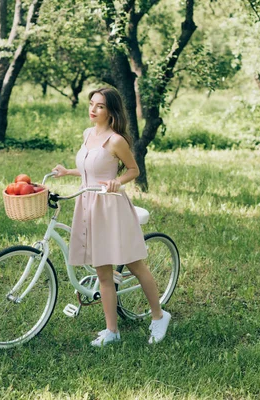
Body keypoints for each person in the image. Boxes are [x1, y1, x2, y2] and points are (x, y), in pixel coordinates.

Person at [52, 87, 171, 346]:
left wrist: (117, 181)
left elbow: (133, 169)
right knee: (103, 273)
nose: (93, 110)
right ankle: (112, 331)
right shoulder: (87, 134)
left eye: (100, 106)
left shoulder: (116, 140)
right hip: (88, 205)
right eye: (91, 104)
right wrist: (67, 172)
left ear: (111, 111)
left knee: (135, 266)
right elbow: (89, 169)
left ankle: (159, 316)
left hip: (111, 208)